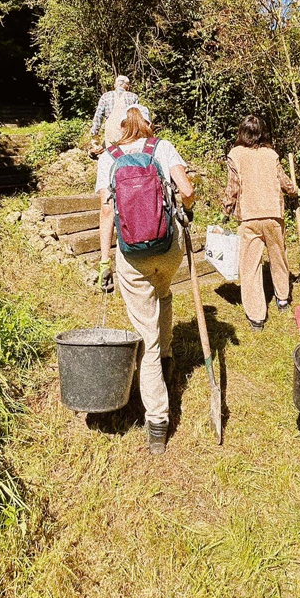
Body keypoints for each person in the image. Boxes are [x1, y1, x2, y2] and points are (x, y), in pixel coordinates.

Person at [93, 105, 197, 455]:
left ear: (120, 128)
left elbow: (106, 211)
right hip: (168, 249)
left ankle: (157, 421)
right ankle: (167, 359)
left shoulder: (108, 158)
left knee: (145, 339)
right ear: (148, 124)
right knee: (163, 293)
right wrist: (187, 209)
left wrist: (104, 260)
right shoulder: (162, 147)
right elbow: (187, 190)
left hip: (132, 255)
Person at [222, 113, 297, 331]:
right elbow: (284, 181)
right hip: (273, 214)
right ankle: (282, 299)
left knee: (250, 266)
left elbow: (233, 187)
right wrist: (294, 191)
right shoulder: (271, 154)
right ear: (262, 133)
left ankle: (256, 317)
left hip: (249, 217)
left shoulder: (235, 154)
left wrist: (226, 209)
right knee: (278, 258)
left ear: (241, 132)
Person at [86, 74, 139, 155]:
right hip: (128, 131)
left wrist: (94, 132)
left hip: (111, 131)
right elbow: (136, 118)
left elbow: (98, 116)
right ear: (127, 86)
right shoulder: (133, 97)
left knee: (112, 155)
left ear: (115, 85)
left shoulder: (105, 96)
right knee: (127, 155)